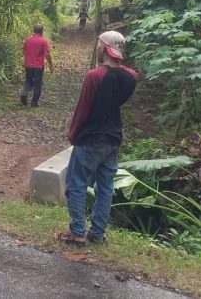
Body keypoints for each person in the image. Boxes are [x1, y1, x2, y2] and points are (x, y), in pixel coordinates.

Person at [57, 30, 137, 246]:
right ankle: (98, 233)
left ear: (103, 48)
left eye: (99, 45)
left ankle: (77, 232)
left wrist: (73, 133)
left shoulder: (94, 76)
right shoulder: (131, 77)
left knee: (76, 183)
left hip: (91, 138)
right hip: (113, 138)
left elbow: (83, 108)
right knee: (105, 187)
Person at [20, 24, 53, 107]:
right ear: (42, 31)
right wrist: (50, 65)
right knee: (38, 83)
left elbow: (24, 52)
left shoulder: (27, 40)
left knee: (28, 81)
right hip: (38, 66)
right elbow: (47, 54)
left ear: (33, 31)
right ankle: (34, 102)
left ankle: (24, 93)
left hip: (28, 65)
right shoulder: (43, 41)